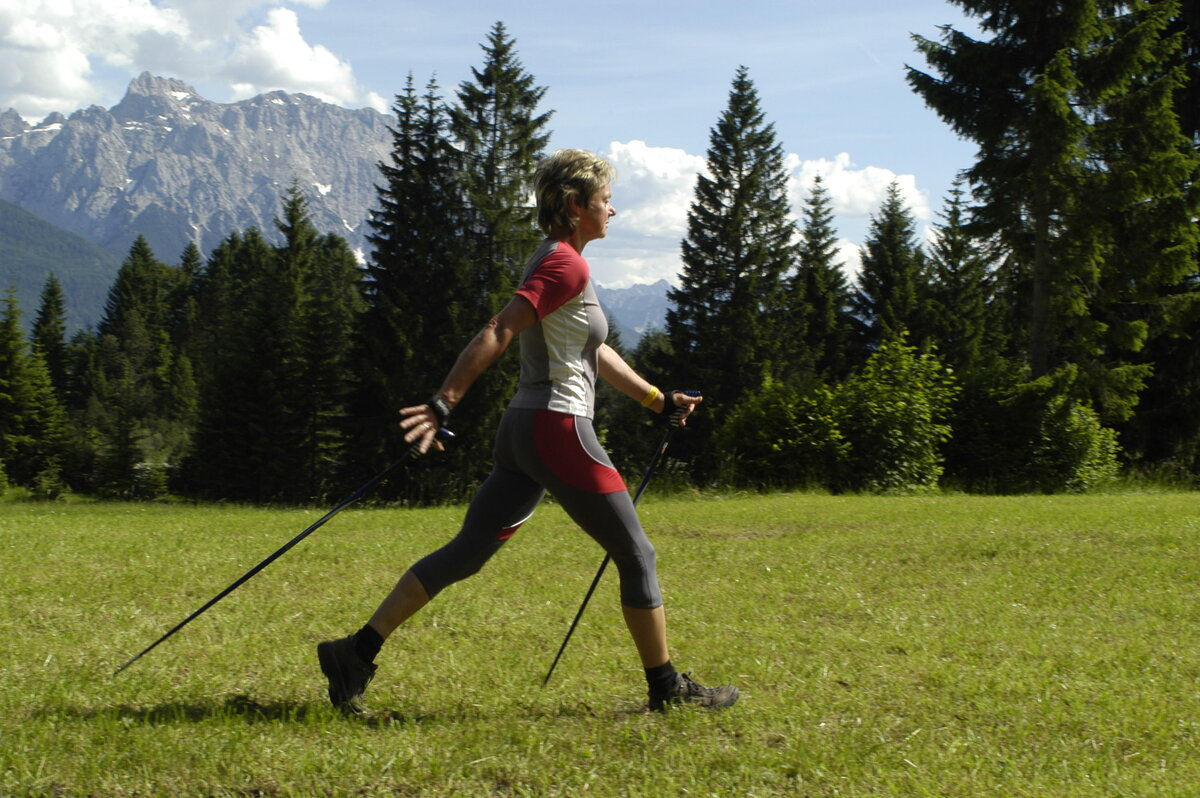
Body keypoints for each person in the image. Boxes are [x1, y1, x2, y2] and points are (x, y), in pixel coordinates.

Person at [317, 149, 738, 715]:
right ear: (574, 205)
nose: (613, 209)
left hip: (524, 431)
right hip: (558, 428)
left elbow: (595, 350)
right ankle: (666, 690)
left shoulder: (556, 262)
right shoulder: (566, 264)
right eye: (605, 200)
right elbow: (501, 326)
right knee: (637, 554)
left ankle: (355, 653)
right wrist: (445, 400)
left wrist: (658, 401)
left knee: (467, 552)